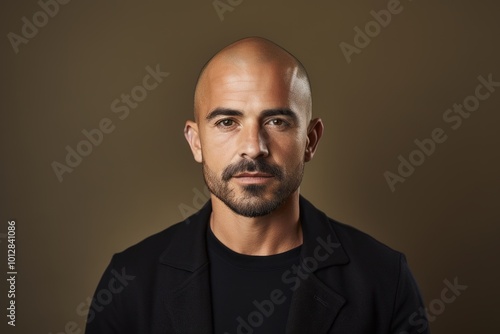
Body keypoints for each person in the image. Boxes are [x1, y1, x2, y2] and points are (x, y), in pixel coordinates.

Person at [85, 37, 429, 334]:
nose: (253, 146)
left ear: (310, 140)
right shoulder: (129, 282)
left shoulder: (384, 279)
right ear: (196, 142)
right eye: (227, 121)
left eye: (276, 121)